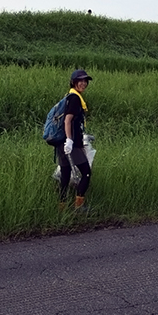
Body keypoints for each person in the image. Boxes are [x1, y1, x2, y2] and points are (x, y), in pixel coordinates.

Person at [57, 69, 93, 210]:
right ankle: (79, 207)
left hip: (61, 144)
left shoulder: (69, 96)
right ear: (73, 82)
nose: (83, 83)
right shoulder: (75, 98)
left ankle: (62, 207)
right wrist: (70, 140)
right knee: (86, 172)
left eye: (85, 81)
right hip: (71, 144)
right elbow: (68, 120)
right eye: (80, 81)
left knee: (65, 175)